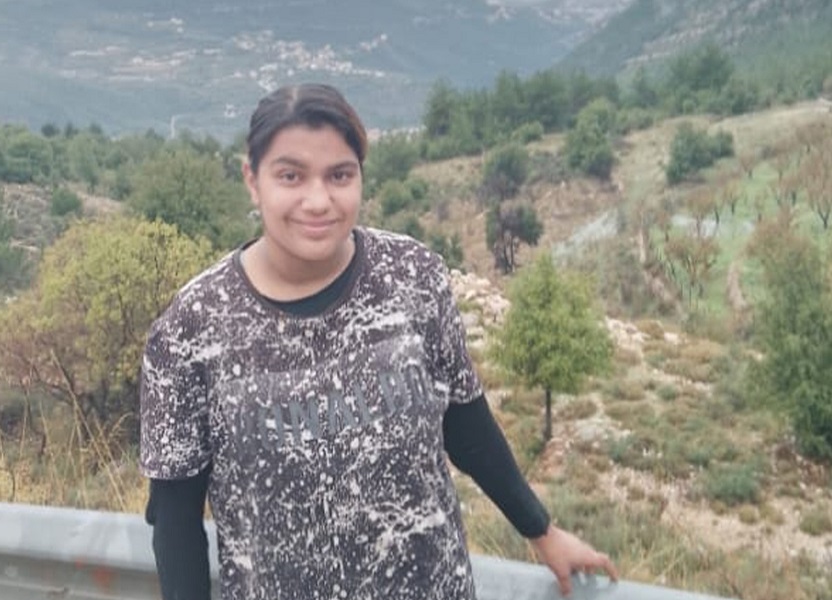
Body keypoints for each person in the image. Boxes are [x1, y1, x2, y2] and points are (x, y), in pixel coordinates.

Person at [140, 82, 618, 600]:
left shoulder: (412, 275)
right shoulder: (191, 328)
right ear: (252, 180)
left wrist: (541, 530)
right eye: (291, 176)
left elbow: (465, 424)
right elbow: (176, 521)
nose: (318, 200)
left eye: (339, 175)